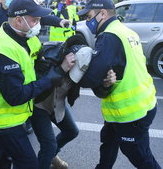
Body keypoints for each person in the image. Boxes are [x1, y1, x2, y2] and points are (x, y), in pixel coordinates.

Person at [0, 0, 75, 169]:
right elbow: (16, 96)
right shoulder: (3, 51)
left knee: (6, 154)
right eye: (35, 19)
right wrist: (56, 74)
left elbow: (37, 58)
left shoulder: (25, 35)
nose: (39, 23)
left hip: (15, 112)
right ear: (18, 20)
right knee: (28, 163)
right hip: (2, 117)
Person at [77, 0, 160, 169]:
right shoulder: (126, 31)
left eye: (89, 16)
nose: (87, 20)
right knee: (108, 143)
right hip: (139, 103)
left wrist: (69, 72)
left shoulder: (109, 36)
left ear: (103, 13)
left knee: (141, 157)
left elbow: (91, 77)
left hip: (130, 112)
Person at [32, 35, 117, 169]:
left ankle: (52, 156)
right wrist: (60, 69)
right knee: (48, 146)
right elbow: (37, 85)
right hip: (39, 104)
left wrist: (106, 85)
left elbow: (97, 89)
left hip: (57, 104)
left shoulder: (87, 62)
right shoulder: (51, 58)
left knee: (71, 131)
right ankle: (46, 158)